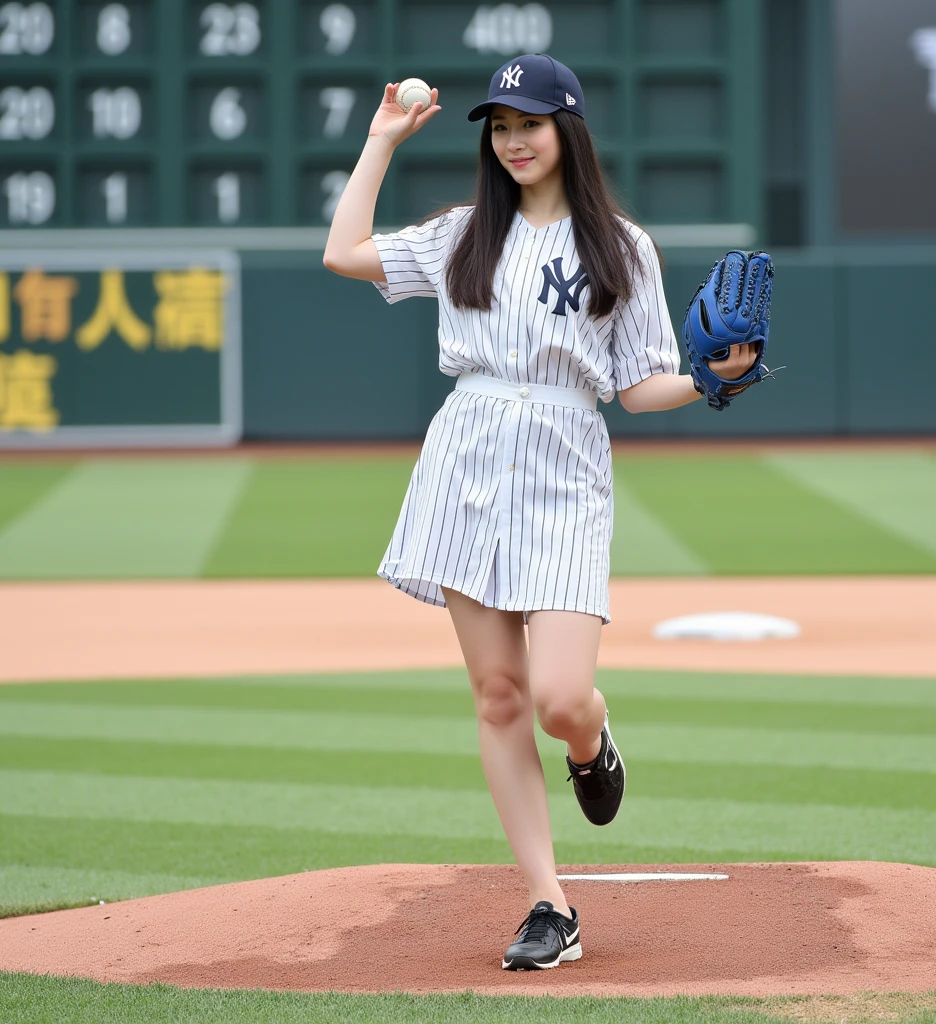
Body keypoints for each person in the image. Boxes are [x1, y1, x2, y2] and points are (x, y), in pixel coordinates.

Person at [323, 54, 758, 971]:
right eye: (500, 125)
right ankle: (548, 904)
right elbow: (343, 253)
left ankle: (593, 745)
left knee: (560, 698)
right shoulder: (461, 233)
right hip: (467, 453)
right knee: (498, 695)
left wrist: (714, 383)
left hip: (564, 459)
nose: (514, 139)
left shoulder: (622, 247)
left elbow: (638, 388)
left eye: (530, 121)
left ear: (569, 130)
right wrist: (380, 142)